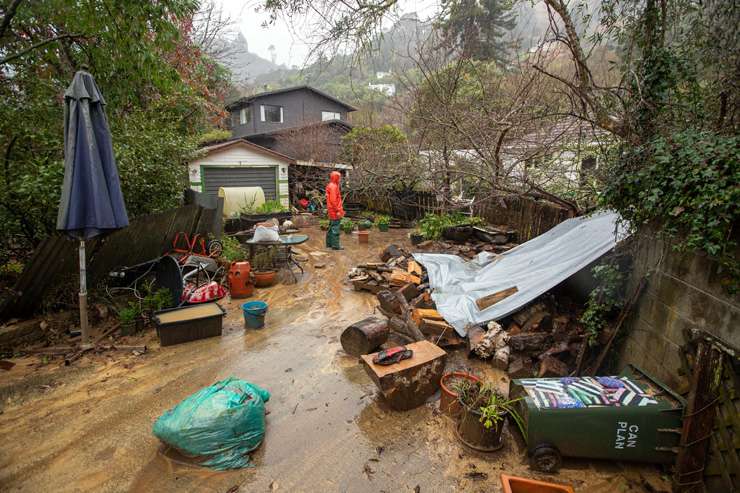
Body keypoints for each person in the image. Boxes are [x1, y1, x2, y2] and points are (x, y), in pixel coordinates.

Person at [325, 171, 345, 250]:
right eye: (339, 177)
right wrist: (338, 210)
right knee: (335, 228)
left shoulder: (330, 185)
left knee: (331, 227)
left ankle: (329, 244)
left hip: (331, 210)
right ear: (335, 177)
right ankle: (336, 245)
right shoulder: (334, 187)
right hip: (335, 210)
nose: (340, 179)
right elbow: (333, 201)